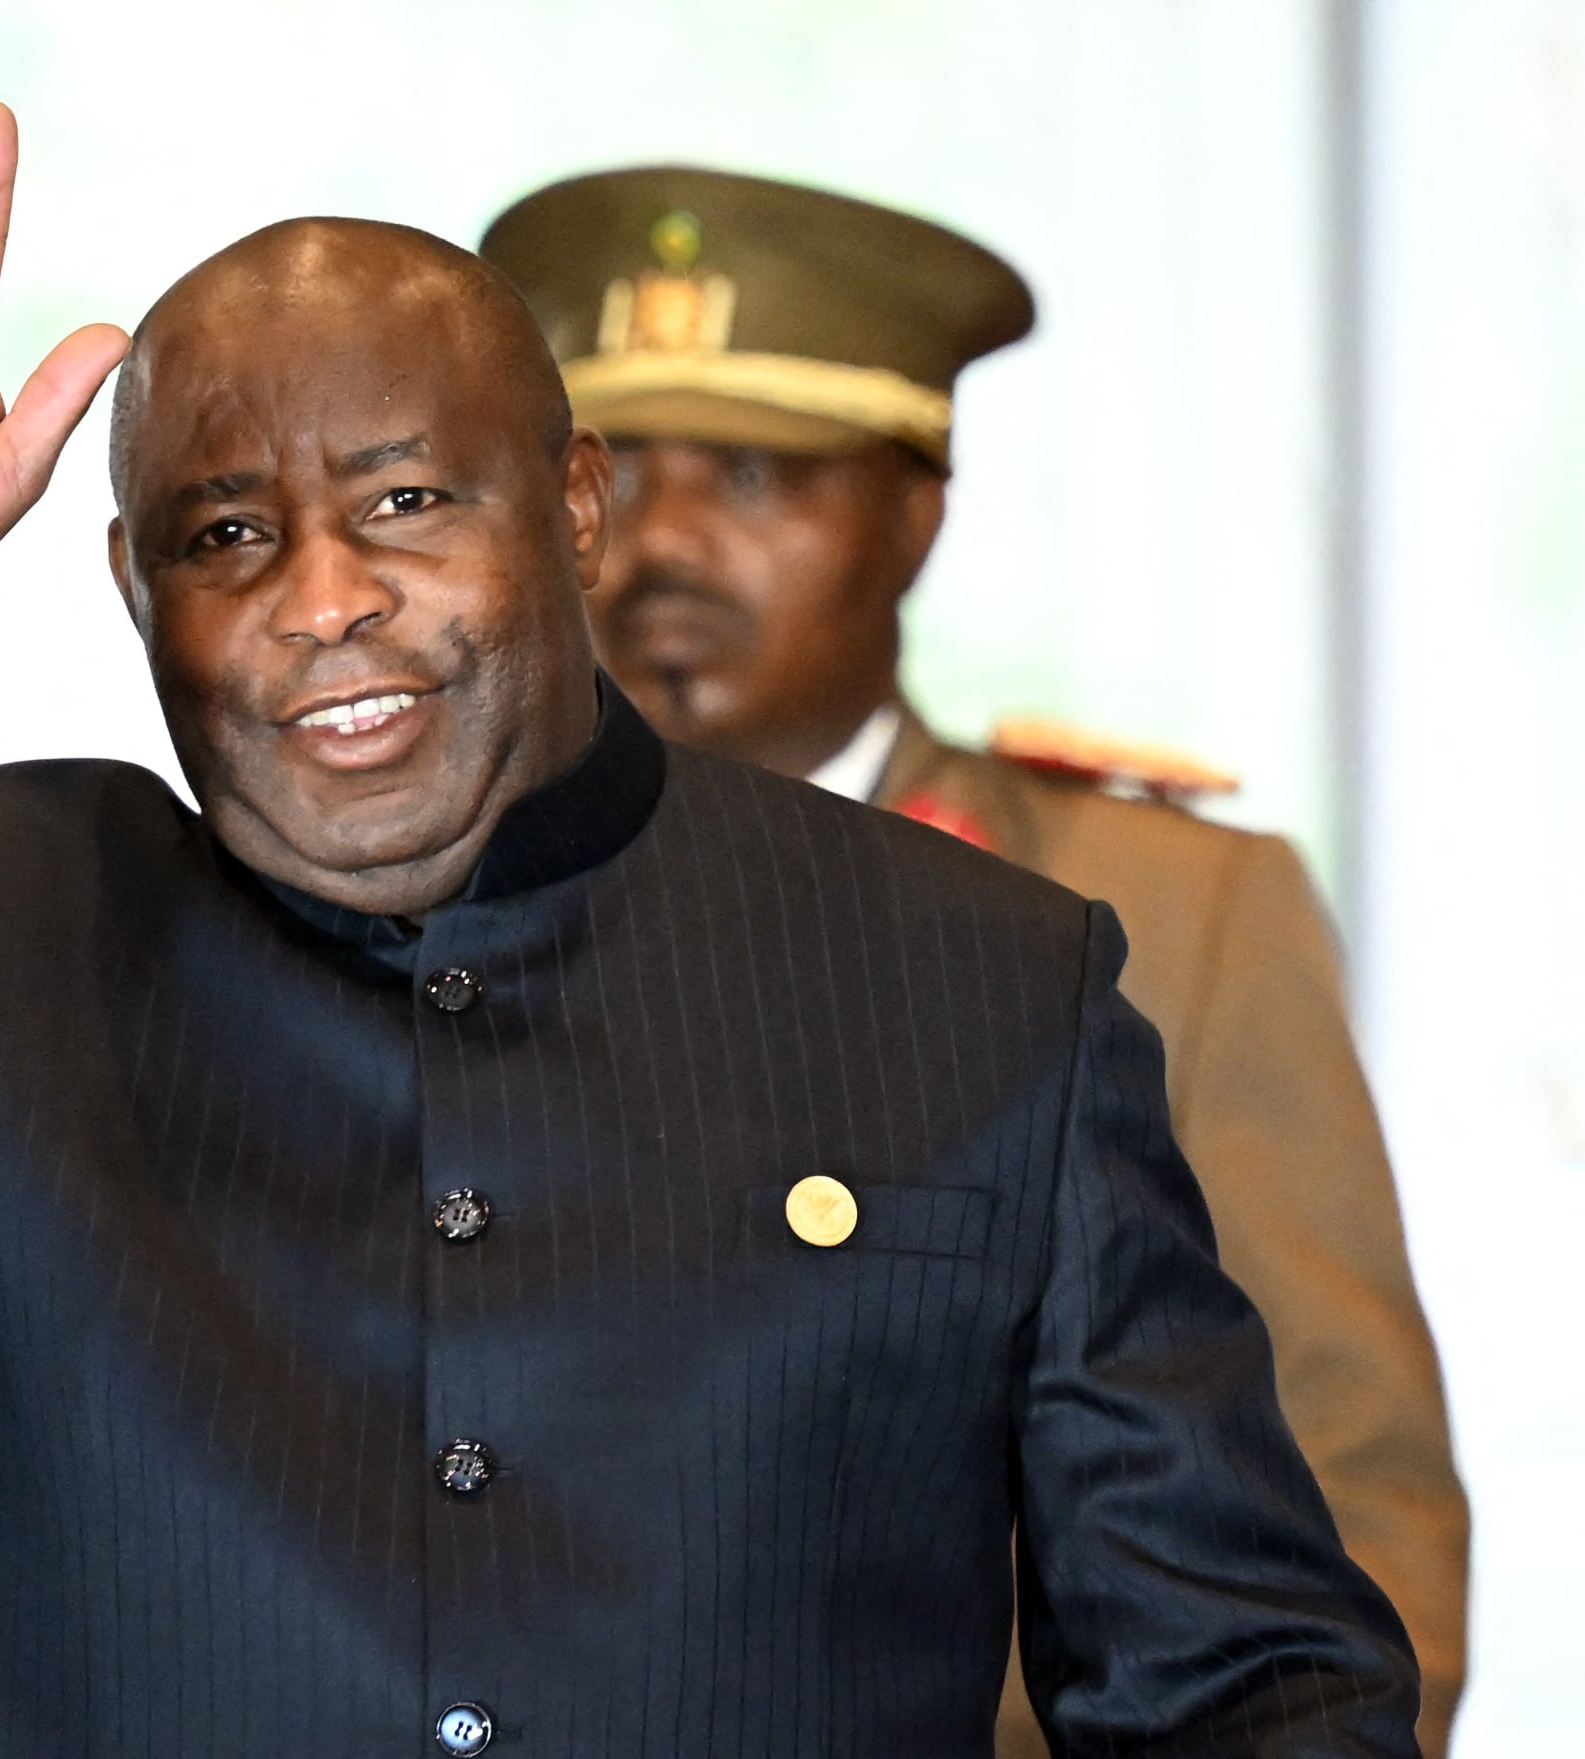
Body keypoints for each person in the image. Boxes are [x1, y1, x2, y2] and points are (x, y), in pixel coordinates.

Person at [0, 67, 1419, 1756]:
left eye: (408, 501)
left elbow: (1242, 1685)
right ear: (130, 585)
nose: (323, 594)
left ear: (573, 510)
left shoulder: (987, 975)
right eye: (227, 532)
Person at [480, 166, 1467, 1757]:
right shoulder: (422, 904)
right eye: (606, 477)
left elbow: (1353, 1524)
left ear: (916, 510)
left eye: (751, 473)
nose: (658, 545)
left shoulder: (1164, 911)